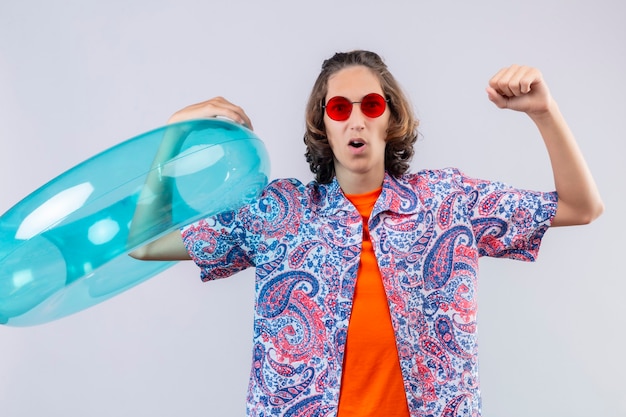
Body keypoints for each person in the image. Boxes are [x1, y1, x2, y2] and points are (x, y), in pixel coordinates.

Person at [130, 50, 603, 417]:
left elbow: (581, 207)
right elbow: (145, 243)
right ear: (323, 125)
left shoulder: (449, 201)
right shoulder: (280, 212)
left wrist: (544, 111)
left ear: (390, 118)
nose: (356, 119)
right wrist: (175, 134)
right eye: (339, 107)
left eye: (370, 104)